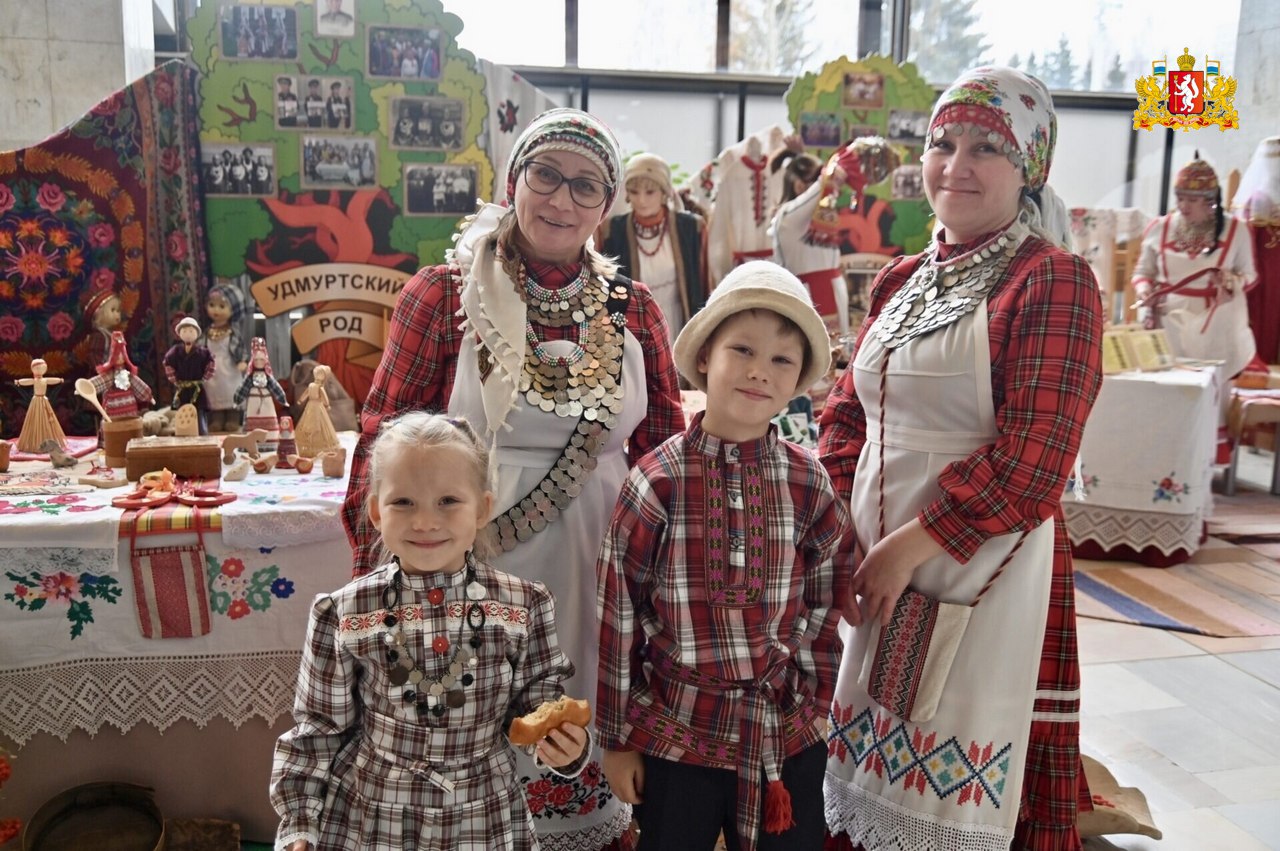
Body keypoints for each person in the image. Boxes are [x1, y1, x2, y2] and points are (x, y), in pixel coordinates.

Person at [342, 107, 684, 851]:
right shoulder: (443, 294)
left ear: (609, 205)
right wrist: (384, 576)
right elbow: (383, 438)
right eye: (547, 175)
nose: (562, 201)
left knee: (580, 715)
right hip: (473, 562)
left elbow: (666, 452)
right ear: (513, 180)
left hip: (603, 562)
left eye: (587, 186)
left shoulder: (634, 308)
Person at [818, 66, 1104, 851]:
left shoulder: (1053, 279)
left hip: (983, 565)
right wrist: (841, 525)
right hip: (880, 564)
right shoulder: (901, 279)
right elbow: (847, 415)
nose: (957, 165)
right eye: (943, 143)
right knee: (874, 754)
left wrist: (906, 548)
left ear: (1032, 168)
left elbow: (1035, 458)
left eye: (987, 147)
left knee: (959, 785)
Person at [596, 261, 850, 851]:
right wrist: (617, 737)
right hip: (678, 731)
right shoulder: (657, 480)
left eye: (782, 360)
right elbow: (618, 617)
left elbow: (824, 602)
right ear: (706, 356)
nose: (760, 371)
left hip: (784, 733)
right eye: (743, 349)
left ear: (797, 383)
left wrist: (812, 705)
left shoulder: (808, 481)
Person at [271, 411, 590, 851]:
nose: (424, 522)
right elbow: (319, 730)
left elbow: (537, 702)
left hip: (483, 814)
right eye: (403, 503)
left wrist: (561, 744)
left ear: (482, 508)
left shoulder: (524, 606)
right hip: (374, 814)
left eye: (447, 501)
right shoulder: (342, 613)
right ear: (375, 513)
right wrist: (299, 823)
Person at [1132, 154, 1258, 378]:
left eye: (1191, 200)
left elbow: (1249, 275)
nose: (1183, 206)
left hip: (1213, 319)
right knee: (1166, 381)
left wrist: (1230, 281)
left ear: (1210, 200)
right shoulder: (1160, 227)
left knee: (1210, 383)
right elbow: (1143, 272)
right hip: (1166, 316)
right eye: (1179, 198)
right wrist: (1144, 290)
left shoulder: (1236, 230)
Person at [599, 153, 708, 342]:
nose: (641, 200)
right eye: (634, 192)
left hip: (679, 323)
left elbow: (705, 283)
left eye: (650, 192)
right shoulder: (612, 231)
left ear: (664, 192)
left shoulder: (692, 229)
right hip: (633, 328)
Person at [201, 284, 249, 433]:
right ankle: (216, 419)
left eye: (222, 306)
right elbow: (201, 347)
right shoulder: (207, 332)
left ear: (233, 310)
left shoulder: (233, 333)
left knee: (231, 392)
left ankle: (233, 419)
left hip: (229, 368)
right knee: (213, 394)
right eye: (212, 305)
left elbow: (240, 348)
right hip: (212, 370)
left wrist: (242, 361)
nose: (216, 310)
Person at [163, 316, 215, 435]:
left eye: (191, 331)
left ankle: (202, 433)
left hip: (197, 389)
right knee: (182, 412)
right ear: (179, 333)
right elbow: (167, 363)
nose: (188, 334)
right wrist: (175, 380)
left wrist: (204, 378)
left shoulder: (203, 352)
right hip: (183, 389)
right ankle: (182, 433)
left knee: (199, 412)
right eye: (185, 331)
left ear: (197, 333)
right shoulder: (175, 352)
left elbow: (211, 363)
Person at [89, 330, 153, 421]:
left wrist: (148, 396)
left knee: (131, 424)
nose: (119, 358)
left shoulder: (128, 375)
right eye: (117, 356)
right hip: (113, 410)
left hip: (130, 410)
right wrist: (86, 387)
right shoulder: (110, 376)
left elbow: (138, 384)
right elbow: (100, 381)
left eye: (121, 355)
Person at [234, 337, 288, 443]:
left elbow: (275, 387)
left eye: (261, 360)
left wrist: (282, 399)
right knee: (251, 418)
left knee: (268, 418)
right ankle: (251, 440)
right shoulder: (250, 377)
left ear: (265, 361)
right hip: (253, 402)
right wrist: (237, 400)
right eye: (256, 360)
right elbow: (243, 388)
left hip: (266, 402)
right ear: (253, 361)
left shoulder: (268, 376)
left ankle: (270, 438)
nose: (259, 362)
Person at [15, 358, 68, 453]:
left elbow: (52, 380)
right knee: (35, 419)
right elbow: (27, 381)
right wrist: (19, 382)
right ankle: (36, 443)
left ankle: (48, 442)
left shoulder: (44, 380)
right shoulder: (35, 380)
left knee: (46, 420)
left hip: (43, 400)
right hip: (36, 401)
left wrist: (59, 380)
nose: (40, 369)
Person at [294, 363, 341, 458]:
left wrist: (326, 404)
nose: (318, 375)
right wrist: (301, 400)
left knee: (318, 424)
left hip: (315, 405)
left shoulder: (317, 387)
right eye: (317, 373)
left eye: (320, 373)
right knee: (310, 423)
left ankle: (316, 444)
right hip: (312, 405)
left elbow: (322, 397)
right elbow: (307, 394)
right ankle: (310, 443)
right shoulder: (314, 386)